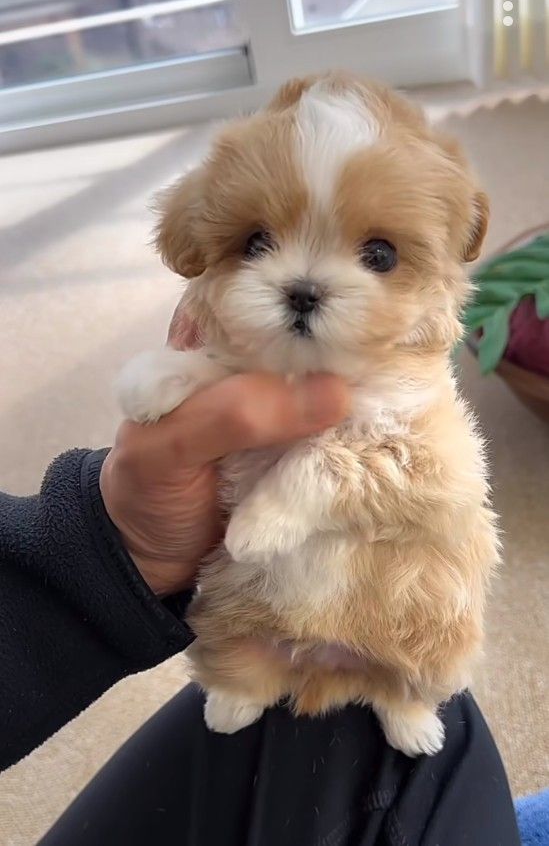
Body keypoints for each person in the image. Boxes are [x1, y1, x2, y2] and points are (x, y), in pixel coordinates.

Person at [0, 306, 521, 846]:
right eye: (258, 244)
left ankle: (398, 695)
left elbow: (440, 484)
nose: (306, 282)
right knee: (429, 748)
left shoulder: (411, 376)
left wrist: (122, 541)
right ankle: (254, 677)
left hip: (387, 620)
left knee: (426, 668)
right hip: (267, 612)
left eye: (377, 255)